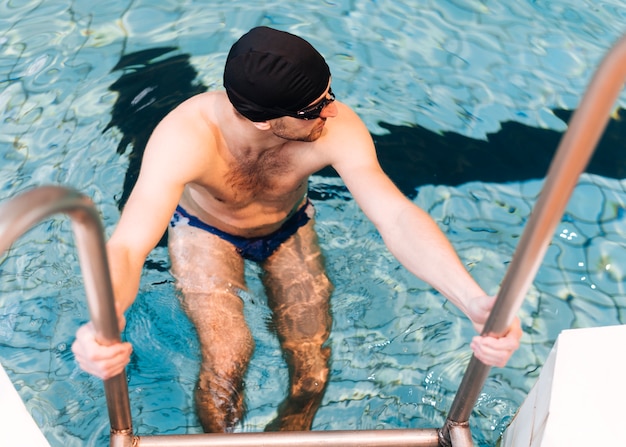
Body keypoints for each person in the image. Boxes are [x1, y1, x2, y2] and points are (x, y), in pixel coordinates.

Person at [72, 26, 522, 433]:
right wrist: (102, 322)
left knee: (312, 370)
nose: (332, 110)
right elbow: (130, 244)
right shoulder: (185, 137)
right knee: (227, 362)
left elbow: (395, 215)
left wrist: (472, 300)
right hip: (203, 233)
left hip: (290, 227)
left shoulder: (334, 127)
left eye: (329, 93)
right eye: (315, 106)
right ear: (264, 119)